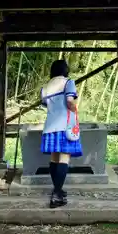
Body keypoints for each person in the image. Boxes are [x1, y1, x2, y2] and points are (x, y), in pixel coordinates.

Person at [40, 60, 82, 208]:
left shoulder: (45, 87)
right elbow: (70, 102)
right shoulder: (68, 82)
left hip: (50, 126)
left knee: (54, 158)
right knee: (64, 158)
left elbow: (46, 104)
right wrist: (75, 109)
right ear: (65, 70)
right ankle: (57, 195)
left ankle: (58, 189)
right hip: (65, 126)